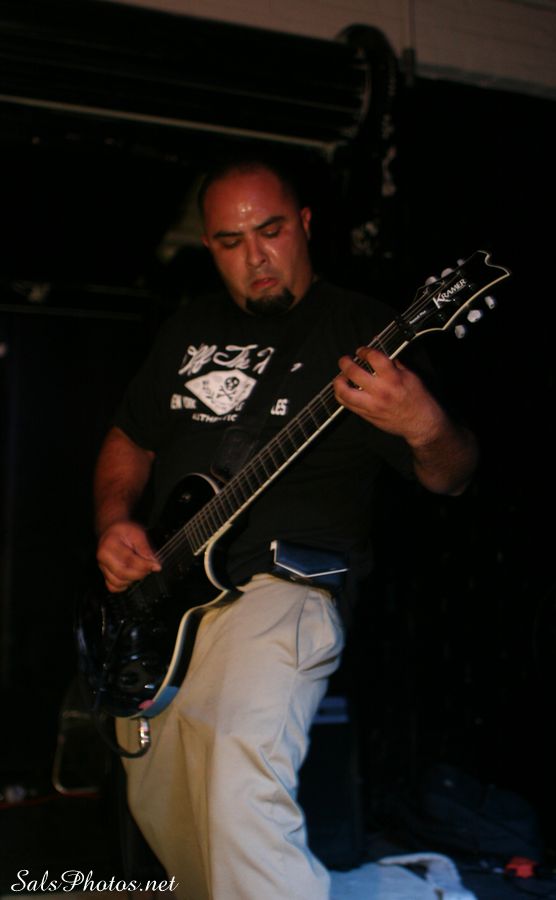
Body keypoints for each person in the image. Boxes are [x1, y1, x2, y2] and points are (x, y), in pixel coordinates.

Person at [93, 153, 479, 899]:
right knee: (178, 830)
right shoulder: (187, 329)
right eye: (231, 241)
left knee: (239, 797)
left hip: (282, 589)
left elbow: (453, 473)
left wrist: (424, 423)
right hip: (165, 610)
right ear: (210, 248)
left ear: (303, 225)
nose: (256, 256)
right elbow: (128, 438)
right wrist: (114, 522)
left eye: (269, 231)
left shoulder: (363, 327)